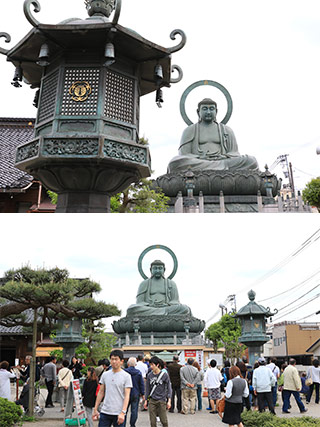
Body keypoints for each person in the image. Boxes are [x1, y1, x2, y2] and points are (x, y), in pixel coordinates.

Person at [168, 98, 259, 173]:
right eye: (204, 109)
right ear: (198, 112)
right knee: (175, 163)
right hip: (199, 162)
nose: (208, 112)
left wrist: (224, 157)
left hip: (224, 162)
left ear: (216, 111)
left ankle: (218, 168)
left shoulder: (226, 130)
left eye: (211, 109)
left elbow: (234, 153)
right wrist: (200, 157)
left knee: (251, 161)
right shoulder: (190, 130)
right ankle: (219, 170)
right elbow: (185, 155)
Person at [126, 260, 191, 316]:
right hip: (150, 308)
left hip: (166, 308)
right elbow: (140, 302)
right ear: (151, 270)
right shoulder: (144, 283)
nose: (157, 270)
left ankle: (159, 313)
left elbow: (175, 301)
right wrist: (151, 305)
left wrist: (166, 305)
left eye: (160, 268)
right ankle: (162, 314)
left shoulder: (171, 283)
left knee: (184, 309)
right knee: (132, 309)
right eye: (155, 268)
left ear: (164, 270)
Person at [93, 349, 132, 427]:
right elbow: (101, 392)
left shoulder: (126, 376)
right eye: (112, 359)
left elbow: (127, 396)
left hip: (119, 412)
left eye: (116, 359)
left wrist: (123, 412)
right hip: (105, 411)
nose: (114, 361)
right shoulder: (105, 375)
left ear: (121, 361)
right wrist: (95, 408)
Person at [144, 356, 172, 427]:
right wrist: (146, 400)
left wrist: (169, 400)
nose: (151, 366)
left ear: (157, 365)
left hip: (162, 400)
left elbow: (169, 388)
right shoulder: (149, 375)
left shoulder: (164, 375)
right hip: (152, 400)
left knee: (164, 421)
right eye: (150, 365)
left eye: (152, 365)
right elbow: (147, 388)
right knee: (153, 422)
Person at [125, 357, 145, 427]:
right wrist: (143, 393)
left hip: (125, 393)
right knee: (134, 410)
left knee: (124, 410)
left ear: (128, 364)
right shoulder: (138, 373)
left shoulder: (124, 372)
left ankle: (123, 424)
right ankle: (132, 424)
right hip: (135, 393)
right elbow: (141, 384)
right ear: (135, 364)